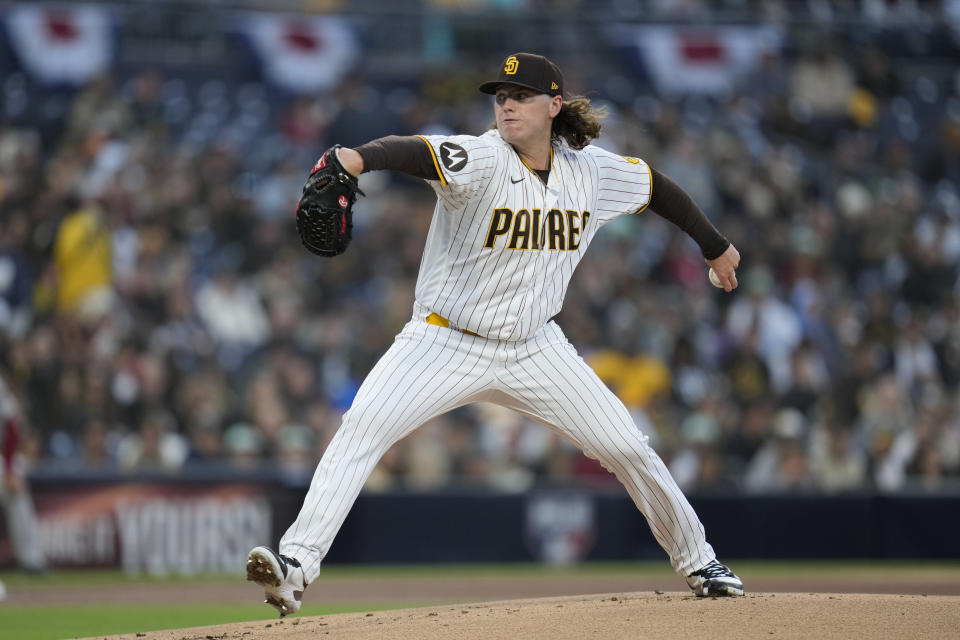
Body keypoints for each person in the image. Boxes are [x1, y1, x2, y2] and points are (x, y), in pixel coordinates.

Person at [247, 52, 744, 616]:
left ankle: (700, 561)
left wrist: (715, 245)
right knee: (362, 427)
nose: (506, 104)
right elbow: (417, 151)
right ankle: (295, 566)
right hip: (442, 341)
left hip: (535, 347)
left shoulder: (591, 172)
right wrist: (352, 158)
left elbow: (656, 187)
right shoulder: (482, 157)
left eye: (521, 95)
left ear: (554, 106)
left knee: (627, 446)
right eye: (501, 96)